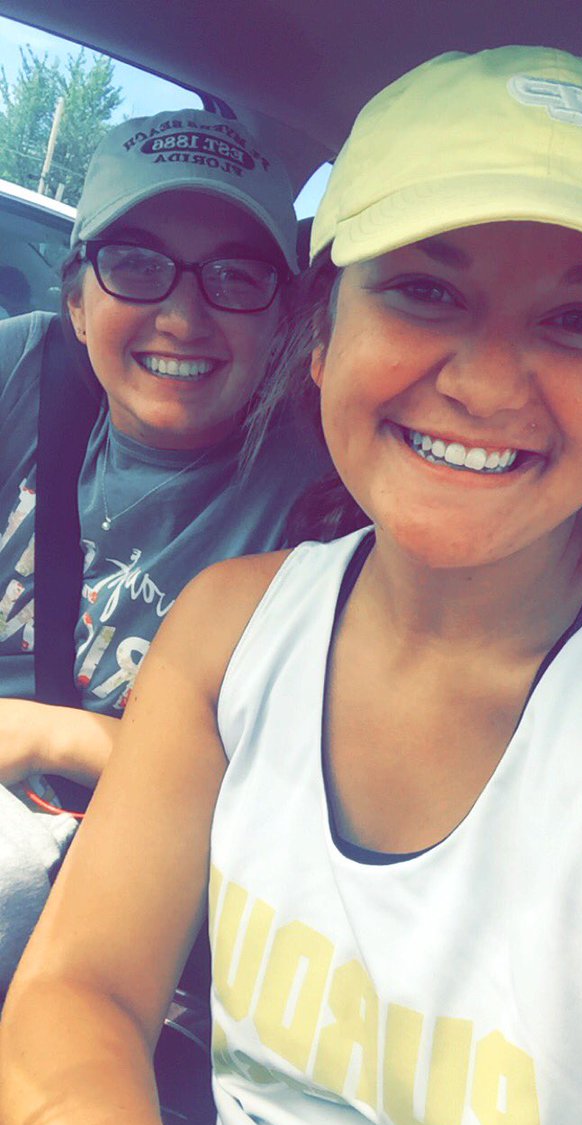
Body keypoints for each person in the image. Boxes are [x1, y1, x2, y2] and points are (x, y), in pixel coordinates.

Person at [1, 45, 582, 1125]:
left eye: (578, 321)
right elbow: (78, 996)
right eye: (426, 290)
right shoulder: (230, 629)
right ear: (323, 331)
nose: (487, 384)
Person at [0, 107, 326, 993]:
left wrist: (52, 733)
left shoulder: (323, 505)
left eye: (236, 276)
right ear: (77, 300)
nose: (182, 317)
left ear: (285, 321)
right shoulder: (24, 374)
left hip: (119, 872)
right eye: (137, 265)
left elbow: (287, 804)